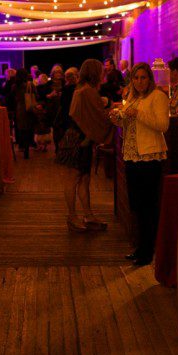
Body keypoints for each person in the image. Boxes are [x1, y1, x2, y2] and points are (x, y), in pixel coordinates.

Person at [110, 63, 169, 266]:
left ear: (150, 79)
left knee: (149, 206)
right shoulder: (132, 98)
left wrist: (138, 114)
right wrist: (117, 119)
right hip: (132, 156)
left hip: (150, 157)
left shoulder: (158, 96)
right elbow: (129, 124)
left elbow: (163, 125)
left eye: (143, 78)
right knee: (136, 206)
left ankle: (147, 251)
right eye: (136, 78)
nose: (139, 81)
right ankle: (140, 247)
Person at [65, 59, 113, 232]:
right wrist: (111, 111)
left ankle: (87, 215)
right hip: (80, 139)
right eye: (101, 71)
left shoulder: (81, 89)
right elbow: (99, 117)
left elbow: (77, 113)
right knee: (74, 178)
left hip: (74, 136)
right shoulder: (89, 91)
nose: (103, 73)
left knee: (84, 178)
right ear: (95, 73)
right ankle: (72, 217)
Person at [11, 68, 36, 159]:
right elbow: (36, 95)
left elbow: (13, 97)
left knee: (21, 129)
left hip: (20, 108)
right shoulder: (30, 85)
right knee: (29, 128)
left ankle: (23, 146)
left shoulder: (14, 86)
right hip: (29, 108)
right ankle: (27, 148)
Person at [53, 67, 78, 153]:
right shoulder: (77, 88)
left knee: (62, 131)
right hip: (74, 112)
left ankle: (62, 150)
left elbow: (63, 102)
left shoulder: (66, 88)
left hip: (65, 112)